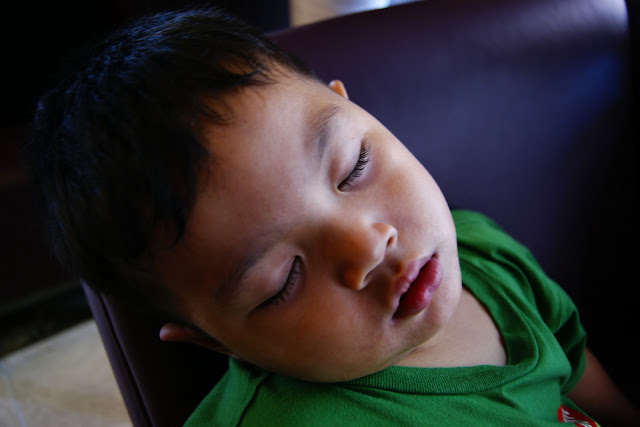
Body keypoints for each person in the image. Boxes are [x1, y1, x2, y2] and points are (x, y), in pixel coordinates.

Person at [27, 8, 637, 426]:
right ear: (215, 341)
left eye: (353, 167)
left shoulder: (480, 249)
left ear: (359, 110)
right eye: (282, 281)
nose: (368, 246)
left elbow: (574, 364)